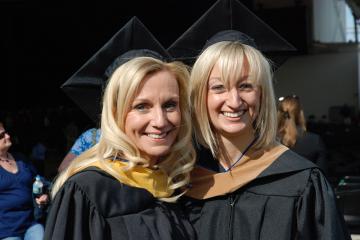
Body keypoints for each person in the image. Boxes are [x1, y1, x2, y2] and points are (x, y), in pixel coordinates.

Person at [183, 30, 351, 239]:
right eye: (218, 87)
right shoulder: (183, 181)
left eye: (245, 86)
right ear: (201, 96)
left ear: (262, 93)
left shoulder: (300, 181)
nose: (234, 101)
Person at [44, 55, 196, 239]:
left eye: (170, 105)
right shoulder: (87, 190)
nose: (160, 121)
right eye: (142, 106)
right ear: (116, 113)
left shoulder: (176, 184)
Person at [0, 120, 49, 240]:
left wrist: (43, 195)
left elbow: (39, 181)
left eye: (5, 132)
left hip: (31, 222)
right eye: (1, 135)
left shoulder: (21, 159)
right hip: (6, 230)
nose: (8, 136)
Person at [277, 95, 329, 175]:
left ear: (279, 114)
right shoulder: (315, 140)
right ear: (300, 114)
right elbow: (321, 176)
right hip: (306, 187)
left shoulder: (269, 142)